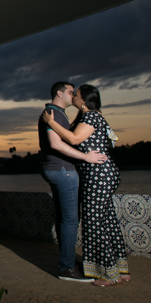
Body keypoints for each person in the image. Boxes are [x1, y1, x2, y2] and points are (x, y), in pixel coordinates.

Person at [42, 84, 130, 287]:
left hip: (98, 175)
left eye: (76, 94)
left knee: (93, 223)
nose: (73, 96)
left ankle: (107, 274)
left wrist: (50, 122)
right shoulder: (91, 117)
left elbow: (73, 139)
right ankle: (120, 270)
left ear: (83, 101)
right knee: (107, 221)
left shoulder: (91, 117)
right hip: (101, 174)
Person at [38, 81, 108, 283]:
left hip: (56, 169)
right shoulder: (55, 113)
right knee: (70, 220)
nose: (74, 96)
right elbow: (55, 144)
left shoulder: (54, 113)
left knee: (64, 219)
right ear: (59, 93)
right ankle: (66, 267)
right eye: (71, 92)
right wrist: (86, 157)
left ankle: (67, 261)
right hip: (63, 170)